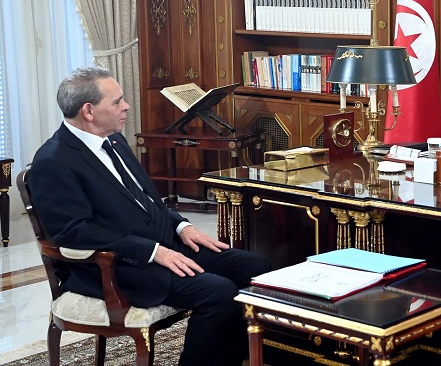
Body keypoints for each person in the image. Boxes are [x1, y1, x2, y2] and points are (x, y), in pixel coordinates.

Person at [28, 67, 271, 366]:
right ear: (88, 111)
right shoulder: (53, 161)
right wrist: (152, 252)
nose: (126, 106)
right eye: (117, 102)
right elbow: (74, 232)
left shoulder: (114, 140)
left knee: (255, 267)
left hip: (164, 245)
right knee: (217, 293)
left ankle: (237, 358)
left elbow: (147, 200)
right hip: (118, 267)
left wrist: (181, 226)